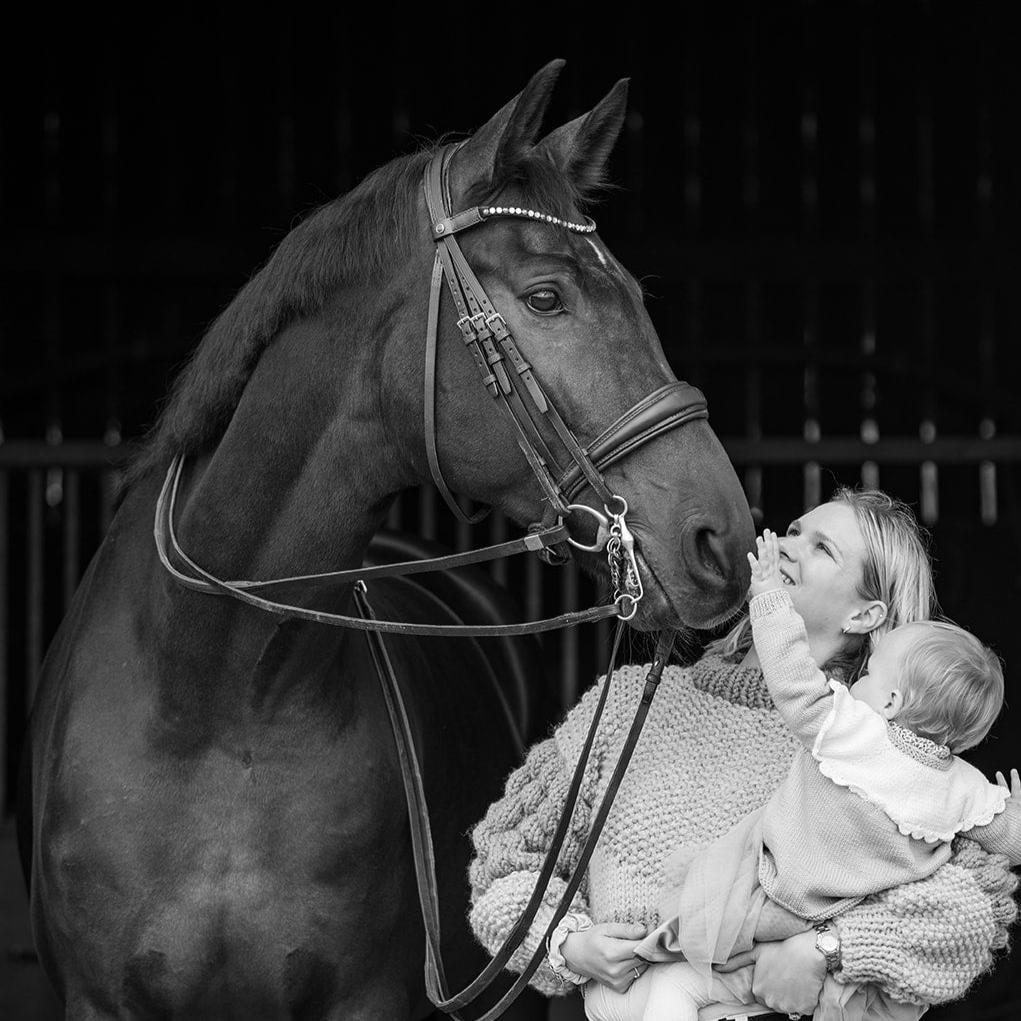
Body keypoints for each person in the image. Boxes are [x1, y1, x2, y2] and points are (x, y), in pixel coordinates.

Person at [468, 489, 1019, 1021]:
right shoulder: (631, 701)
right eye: (795, 531)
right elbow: (506, 866)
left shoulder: (886, 754)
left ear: (865, 616)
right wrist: (568, 944)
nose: (787, 544)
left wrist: (828, 948)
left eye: (822, 548)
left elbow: (972, 911)